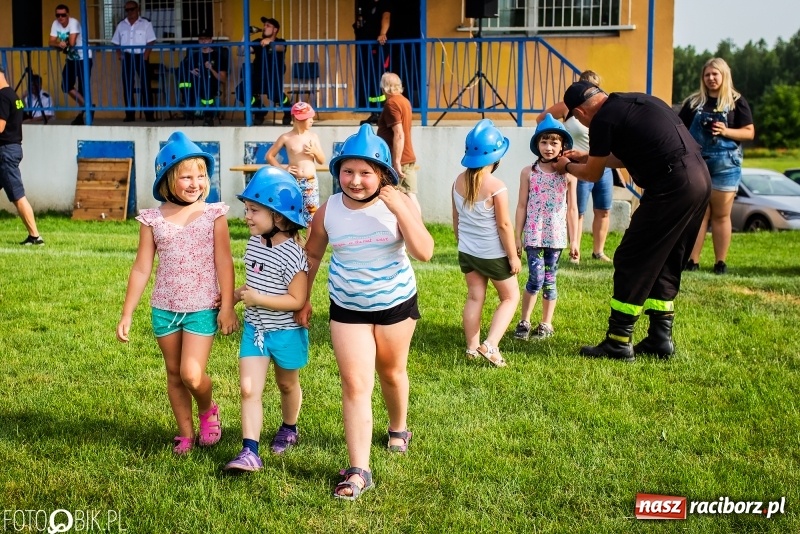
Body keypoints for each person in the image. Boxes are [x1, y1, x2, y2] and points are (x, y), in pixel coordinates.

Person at [296, 124, 433, 500]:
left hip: (395, 305)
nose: (355, 181)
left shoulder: (402, 203)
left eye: (365, 172)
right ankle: (359, 470)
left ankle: (398, 427)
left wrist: (400, 208)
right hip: (347, 307)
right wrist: (303, 298)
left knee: (391, 372)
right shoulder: (329, 210)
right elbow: (312, 254)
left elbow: (424, 251)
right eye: (348, 172)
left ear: (383, 174)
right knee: (355, 384)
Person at [553, 80, 711, 361]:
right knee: (665, 258)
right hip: (699, 179)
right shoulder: (635, 102)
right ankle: (660, 339)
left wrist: (566, 166)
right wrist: (587, 155)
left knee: (631, 257)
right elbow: (621, 157)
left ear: (579, 112)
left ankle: (618, 340)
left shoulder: (602, 119)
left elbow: (590, 174)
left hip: (671, 185)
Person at [116, 131, 238, 454]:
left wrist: (227, 306)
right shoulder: (152, 220)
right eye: (186, 176)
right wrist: (127, 312)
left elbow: (225, 263)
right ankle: (185, 433)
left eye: (200, 175)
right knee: (173, 374)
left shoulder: (214, 215)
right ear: (168, 179)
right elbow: (142, 268)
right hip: (164, 309)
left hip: (201, 307)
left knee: (191, 374)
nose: (195, 182)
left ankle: (207, 408)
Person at [223, 167, 310, 472]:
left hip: (285, 332)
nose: (247, 216)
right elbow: (256, 284)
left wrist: (258, 299)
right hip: (256, 330)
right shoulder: (253, 244)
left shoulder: (292, 255)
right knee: (248, 389)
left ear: (279, 216)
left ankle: (289, 427)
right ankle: (250, 451)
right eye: (246, 209)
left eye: (254, 210)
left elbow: (296, 300)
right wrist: (234, 296)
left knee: (287, 384)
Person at [452, 119, 521, 367]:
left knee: (474, 297)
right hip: (492, 254)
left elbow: (456, 220)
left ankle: (471, 349)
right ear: (496, 157)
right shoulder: (496, 187)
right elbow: (504, 226)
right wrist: (512, 257)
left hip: (467, 252)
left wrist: (463, 244)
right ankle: (490, 345)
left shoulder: (458, 181)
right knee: (510, 297)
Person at [679, 57, 755, 275]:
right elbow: (680, 130)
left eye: (715, 74)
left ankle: (720, 263)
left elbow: (749, 132)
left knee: (721, 215)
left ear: (724, 76)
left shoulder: (736, 101)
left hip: (725, 164)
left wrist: (726, 131)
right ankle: (692, 261)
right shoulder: (693, 103)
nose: (711, 79)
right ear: (702, 78)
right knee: (699, 214)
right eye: (707, 75)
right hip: (698, 162)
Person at [512, 114, 579, 341]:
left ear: (562, 145)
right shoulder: (528, 173)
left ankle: (546, 324)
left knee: (550, 280)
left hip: (556, 237)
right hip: (534, 234)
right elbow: (522, 205)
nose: (548, 147)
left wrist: (575, 240)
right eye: (544, 142)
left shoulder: (569, 174)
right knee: (535, 278)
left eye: (554, 142)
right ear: (536, 144)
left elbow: (572, 210)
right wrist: (517, 237)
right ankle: (524, 321)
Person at [537, 70, 613, 263]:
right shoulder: (568, 107)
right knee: (577, 209)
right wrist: (557, 142)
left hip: (603, 163)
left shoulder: (603, 107)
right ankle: (575, 252)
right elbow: (541, 118)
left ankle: (598, 252)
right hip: (577, 164)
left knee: (603, 209)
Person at [0, 65, 44, 246]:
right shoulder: (14, 96)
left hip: (5, 153)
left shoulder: (2, 96)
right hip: (12, 148)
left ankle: (35, 237)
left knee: (17, 195)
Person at [266, 102, 325, 225]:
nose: (312, 121)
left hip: (310, 182)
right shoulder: (286, 137)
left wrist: (315, 152)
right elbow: (269, 156)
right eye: (309, 118)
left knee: (312, 218)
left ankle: (310, 244)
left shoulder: (313, 137)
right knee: (291, 214)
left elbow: (322, 160)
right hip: (293, 181)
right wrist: (282, 169)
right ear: (298, 119)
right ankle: (292, 242)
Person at [376, 72, 420, 214]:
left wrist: (396, 162)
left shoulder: (392, 103)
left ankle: (415, 230)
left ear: (385, 87)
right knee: (409, 195)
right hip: (406, 157)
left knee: (399, 196)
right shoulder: (404, 101)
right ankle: (416, 229)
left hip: (400, 160)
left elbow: (399, 134)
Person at [236, 17, 291, 126]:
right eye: (264, 25)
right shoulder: (258, 42)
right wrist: (246, 34)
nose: (264, 27)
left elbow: (280, 48)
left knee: (277, 96)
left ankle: (288, 111)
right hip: (257, 76)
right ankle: (259, 111)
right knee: (240, 91)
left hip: (273, 77)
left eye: (268, 26)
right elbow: (241, 52)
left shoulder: (280, 41)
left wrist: (270, 42)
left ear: (275, 30)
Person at [111, 1, 156, 123]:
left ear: (138, 9)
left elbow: (151, 41)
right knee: (127, 86)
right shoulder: (121, 25)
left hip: (141, 56)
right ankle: (130, 115)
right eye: (127, 10)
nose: (130, 12)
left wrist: (146, 56)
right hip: (127, 57)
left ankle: (149, 115)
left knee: (145, 86)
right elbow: (115, 42)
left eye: (132, 9)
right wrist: (120, 55)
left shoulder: (145, 23)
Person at [49, 4, 93, 126]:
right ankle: (88, 106)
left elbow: (72, 42)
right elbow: (50, 41)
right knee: (66, 85)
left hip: (84, 57)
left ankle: (81, 115)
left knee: (83, 87)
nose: (60, 17)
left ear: (68, 14)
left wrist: (60, 44)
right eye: (58, 15)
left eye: (63, 15)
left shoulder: (74, 22)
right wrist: (60, 44)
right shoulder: (55, 24)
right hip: (71, 59)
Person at [178, 27, 229, 127]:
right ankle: (189, 106)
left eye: (206, 39)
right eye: (201, 39)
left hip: (211, 83)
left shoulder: (217, 56)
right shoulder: (194, 56)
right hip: (196, 83)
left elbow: (223, 79)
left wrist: (211, 69)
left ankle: (208, 116)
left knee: (204, 84)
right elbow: (184, 68)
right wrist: (191, 71)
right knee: (184, 80)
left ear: (211, 40)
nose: (204, 41)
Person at [354, 0, 391, 125]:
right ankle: (375, 112)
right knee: (370, 80)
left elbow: (386, 17)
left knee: (378, 79)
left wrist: (382, 34)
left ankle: (382, 112)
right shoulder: (367, 5)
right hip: (368, 48)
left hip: (378, 47)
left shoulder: (384, 4)